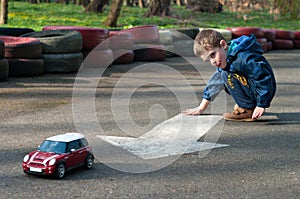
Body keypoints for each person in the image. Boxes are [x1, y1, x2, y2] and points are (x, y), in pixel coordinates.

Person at [183, 29, 276, 121]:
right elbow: (214, 83)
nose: (213, 61)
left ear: (223, 45)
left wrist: (261, 104)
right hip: (257, 90)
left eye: (213, 55)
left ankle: (247, 109)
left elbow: (263, 77)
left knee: (225, 73)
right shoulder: (227, 60)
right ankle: (248, 104)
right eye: (208, 60)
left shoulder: (243, 58)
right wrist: (201, 108)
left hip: (264, 89)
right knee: (221, 74)